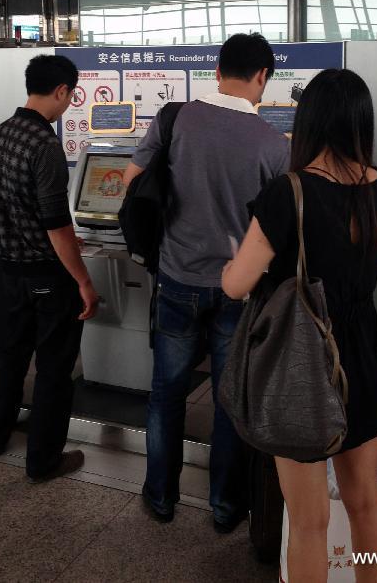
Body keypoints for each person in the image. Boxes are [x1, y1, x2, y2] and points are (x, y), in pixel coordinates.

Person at [222, 68, 377, 583]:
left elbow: (237, 285)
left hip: (302, 357)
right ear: (360, 123)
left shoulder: (288, 193)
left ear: (308, 123)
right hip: (361, 350)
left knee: (308, 520)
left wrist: (228, 266)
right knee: (366, 499)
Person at [123, 33, 290, 531]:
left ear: (217, 71)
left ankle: (160, 496)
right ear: (261, 77)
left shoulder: (175, 118)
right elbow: (276, 227)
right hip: (238, 291)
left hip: (175, 277)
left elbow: (132, 182)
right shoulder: (273, 146)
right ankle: (223, 506)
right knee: (227, 400)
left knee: (166, 393)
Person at [0, 55, 100, 484]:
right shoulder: (45, 144)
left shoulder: (2, 132)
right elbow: (54, 222)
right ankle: (43, 460)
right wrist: (83, 280)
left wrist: (66, 239)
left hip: (10, 268)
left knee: (12, 355)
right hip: (47, 275)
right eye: (70, 95)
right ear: (62, 92)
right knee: (53, 368)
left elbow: (14, 207)